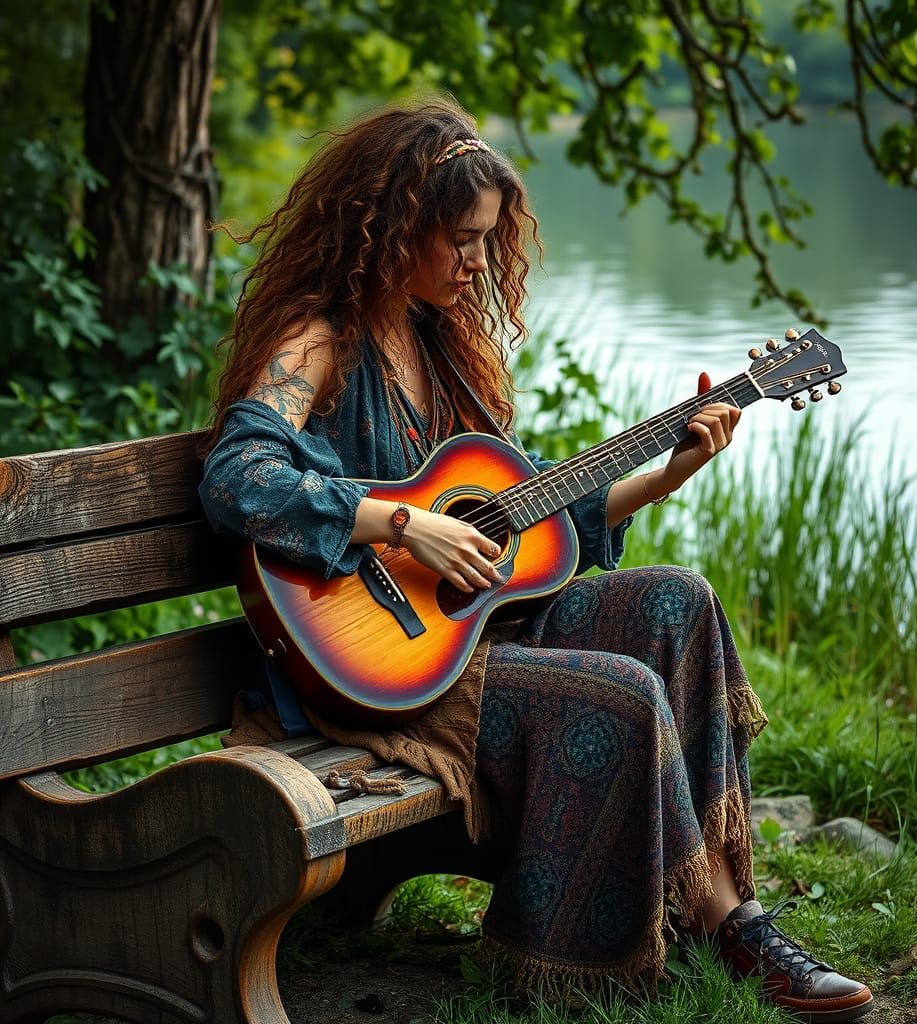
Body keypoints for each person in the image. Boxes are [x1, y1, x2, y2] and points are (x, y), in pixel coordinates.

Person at [199, 97, 874, 1023]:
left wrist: (668, 474)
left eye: (485, 239)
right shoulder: (319, 340)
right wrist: (402, 525)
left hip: (469, 639)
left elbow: (527, 536)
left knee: (681, 601)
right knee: (621, 692)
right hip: (378, 671)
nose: (478, 260)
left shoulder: (446, 352)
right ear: (395, 225)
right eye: (460, 239)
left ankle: (720, 906)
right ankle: (720, 930)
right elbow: (237, 476)